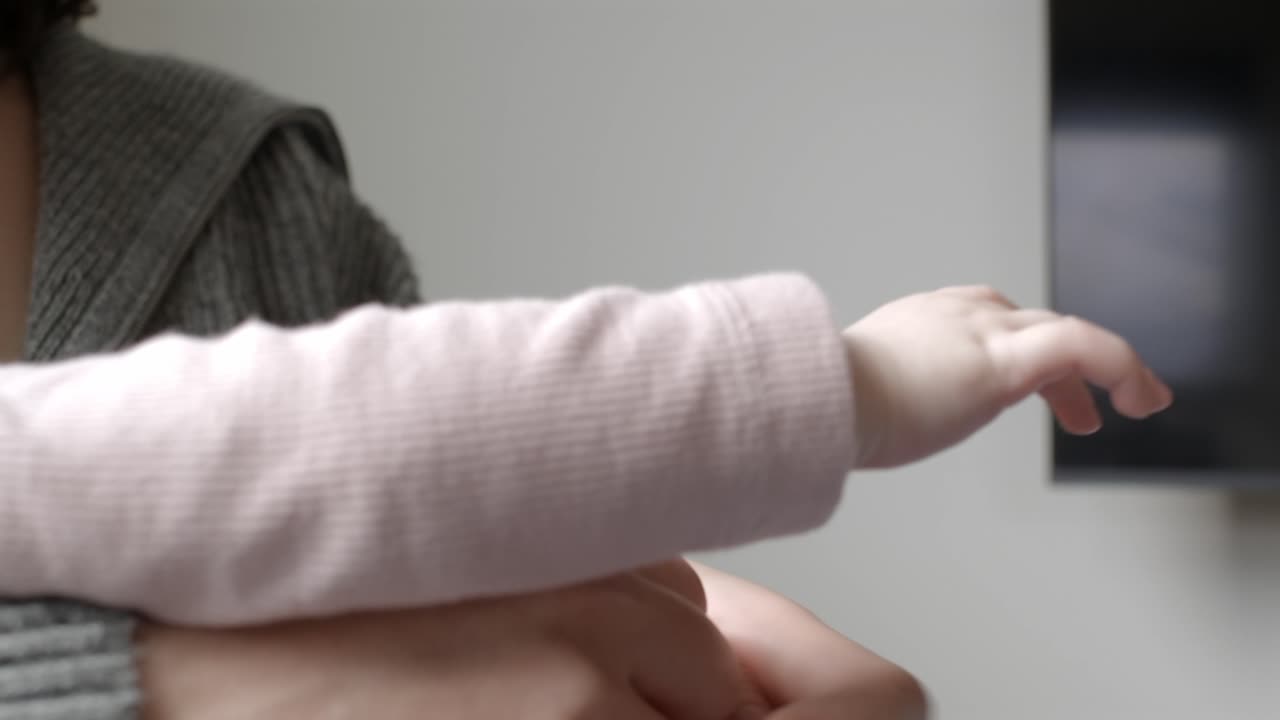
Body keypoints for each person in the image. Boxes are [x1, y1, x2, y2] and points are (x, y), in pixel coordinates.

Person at [0, 3, 1171, 719]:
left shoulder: (244, 175)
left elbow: (383, 470)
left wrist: (711, 629)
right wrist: (848, 383)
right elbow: (280, 448)